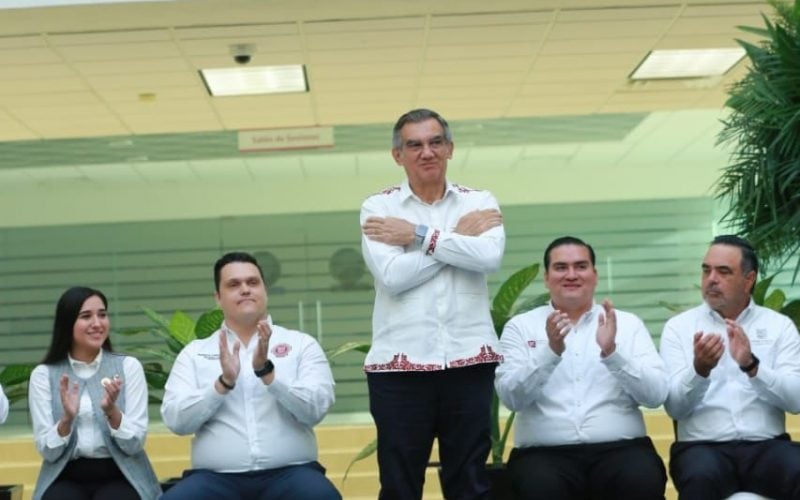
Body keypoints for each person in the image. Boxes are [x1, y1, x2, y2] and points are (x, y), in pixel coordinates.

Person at [360, 108, 505, 499]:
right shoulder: (379, 208)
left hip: (468, 361)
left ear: (450, 149)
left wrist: (417, 235)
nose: (427, 152)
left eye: (435, 142)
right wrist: (455, 237)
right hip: (399, 368)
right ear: (398, 155)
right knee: (400, 486)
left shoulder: (479, 201)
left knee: (469, 484)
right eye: (415, 145)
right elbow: (393, 276)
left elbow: (488, 257)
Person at [495, 236, 668, 500]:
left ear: (594, 275)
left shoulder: (627, 324)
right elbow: (511, 398)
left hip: (622, 451)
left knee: (641, 479)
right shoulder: (520, 327)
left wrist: (613, 354)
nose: (571, 275)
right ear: (547, 278)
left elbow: (656, 396)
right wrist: (550, 352)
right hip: (543, 456)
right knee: (540, 487)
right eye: (561, 267)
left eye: (581, 266)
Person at [160, 251, 340, 500]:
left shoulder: (301, 345)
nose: (245, 289)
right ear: (218, 298)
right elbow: (176, 421)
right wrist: (222, 385)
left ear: (265, 291)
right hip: (215, 479)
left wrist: (268, 374)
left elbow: (315, 411)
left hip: (291, 474)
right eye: (234, 284)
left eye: (253, 282)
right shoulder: (194, 353)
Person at [660, 235, 800, 499]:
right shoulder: (679, 328)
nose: (711, 279)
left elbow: (795, 401)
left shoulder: (779, 326)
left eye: (723, 271)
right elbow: (675, 408)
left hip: (767, 447)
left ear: (749, 280)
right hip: (702, 448)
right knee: (699, 475)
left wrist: (752, 366)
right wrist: (699, 370)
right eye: (706, 270)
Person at [28, 286, 161, 500]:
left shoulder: (128, 367)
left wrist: (112, 413)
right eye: (86, 316)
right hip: (64, 475)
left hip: (121, 473)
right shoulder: (44, 374)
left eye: (102, 314)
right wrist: (66, 420)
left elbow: (134, 445)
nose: (97, 323)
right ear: (67, 323)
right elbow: (48, 452)